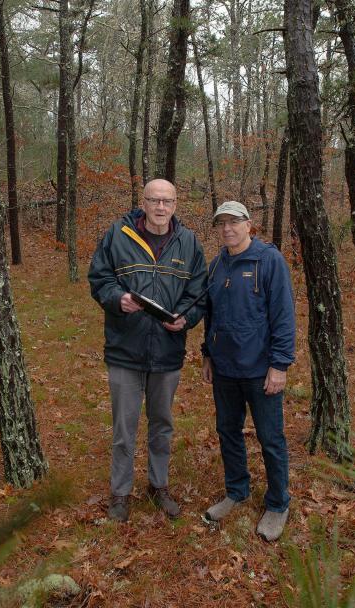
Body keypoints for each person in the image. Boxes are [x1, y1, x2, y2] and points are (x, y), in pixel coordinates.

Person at [88, 179, 207, 523]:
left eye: (166, 201)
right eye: (154, 200)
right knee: (124, 428)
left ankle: (158, 486)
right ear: (143, 202)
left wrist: (186, 319)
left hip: (167, 351)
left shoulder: (188, 242)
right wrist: (117, 299)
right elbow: (99, 278)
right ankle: (120, 494)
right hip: (126, 348)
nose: (160, 207)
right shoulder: (119, 235)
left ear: (175, 204)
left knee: (162, 425)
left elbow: (198, 292)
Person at [200, 201, 295, 542]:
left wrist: (279, 365)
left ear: (249, 224)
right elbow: (211, 316)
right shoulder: (215, 267)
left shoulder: (268, 261)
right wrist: (207, 355)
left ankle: (278, 502)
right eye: (222, 223)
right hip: (224, 370)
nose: (228, 228)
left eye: (234, 222)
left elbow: (283, 316)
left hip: (261, 370)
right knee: (228, 432)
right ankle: (236, 490)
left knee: (271, 438)